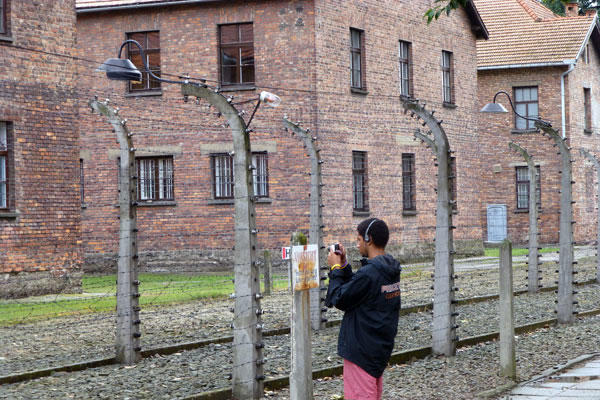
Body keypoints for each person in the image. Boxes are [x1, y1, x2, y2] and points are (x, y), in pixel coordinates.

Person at [325, 218, 402, 400]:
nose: (357, 244)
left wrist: (335, 268)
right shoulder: (388, 269)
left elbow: (339, 298)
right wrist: (344, 266)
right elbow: (359, 289)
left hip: (361, 353)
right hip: (377, 350)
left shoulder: (370, 273)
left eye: (359, 239)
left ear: (369, 239)